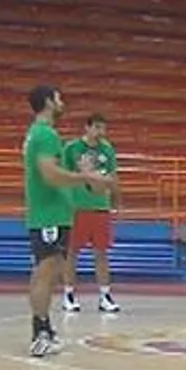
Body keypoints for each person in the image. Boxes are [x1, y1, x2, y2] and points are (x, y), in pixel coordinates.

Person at [22, 85, 117, 357]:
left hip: (51, 213)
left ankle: (44, 329)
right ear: (48, 102)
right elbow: (50, 175)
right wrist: (85, 177)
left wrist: (84, 178)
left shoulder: (38, 134)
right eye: (58, 98)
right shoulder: (46, 134)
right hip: (49, 215)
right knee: (46, 272)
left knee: (47, 272)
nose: (62, 102)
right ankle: (40, 334)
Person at [62, 113, 122, 313]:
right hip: (77, 208)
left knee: (101, 253)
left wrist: (115, 201)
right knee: (72, 253)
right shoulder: (72, 148)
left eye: (103, 128)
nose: (100, 132)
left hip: (100, 208)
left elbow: (112, 177)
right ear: (86, 127)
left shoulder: (107, 149)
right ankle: (68, 294)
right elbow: (63, 176)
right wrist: (83, 176)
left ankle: (105, 296)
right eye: (96, 127)